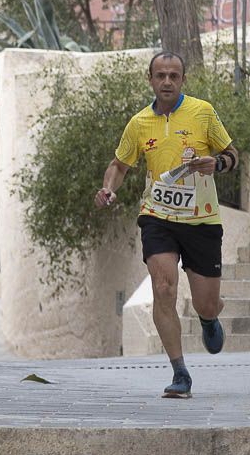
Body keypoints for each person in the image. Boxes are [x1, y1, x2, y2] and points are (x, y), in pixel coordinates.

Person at [94, 51, 240, 398]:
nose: (167, 82)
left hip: (202, 219)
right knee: (164, 288)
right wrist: (107, 189)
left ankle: (208, 317)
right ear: (150, 80)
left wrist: (216, 164)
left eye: (174, 75)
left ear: (183, 80)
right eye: (160, 75)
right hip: (158, 215)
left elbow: (233, 155)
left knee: (206, 302)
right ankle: (180, 373)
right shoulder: (139, 123)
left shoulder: (203, 112)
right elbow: (119, 165)